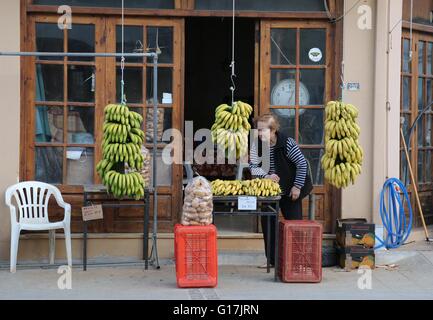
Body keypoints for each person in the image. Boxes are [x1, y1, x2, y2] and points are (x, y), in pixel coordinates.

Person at [249, 114, 313, 268]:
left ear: (273, 131)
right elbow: (253, 167)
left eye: (263, 130)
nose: (259, 134)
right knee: (268, 225)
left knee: (294, 225)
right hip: (270, 190)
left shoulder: (287, 143)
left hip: (291, 189)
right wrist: (267, 176)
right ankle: (271, 261)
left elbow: (302, 164)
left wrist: (297, 186)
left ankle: (297, 261)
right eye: (258, 130)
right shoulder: (256, 145)